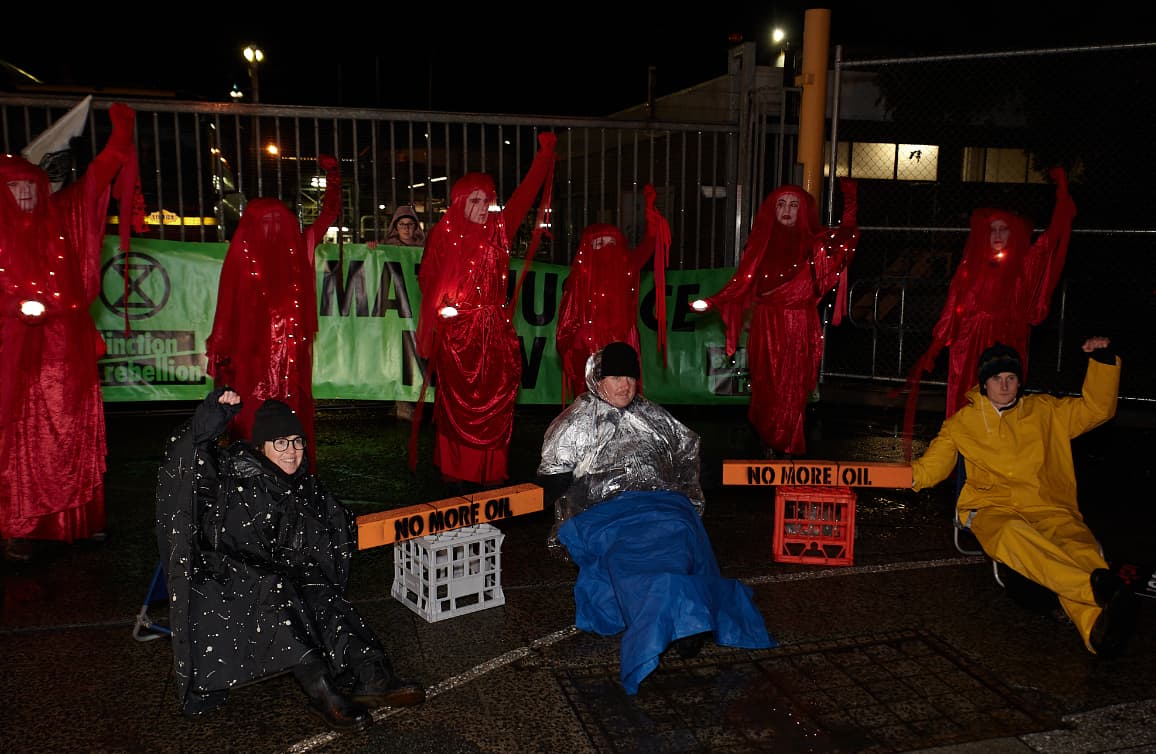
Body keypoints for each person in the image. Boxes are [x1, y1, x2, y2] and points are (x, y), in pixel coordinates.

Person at [155, 389, 425, 730]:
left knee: (318, 588)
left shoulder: (302, 485)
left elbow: (332, 525)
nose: (291, 452)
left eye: (297, 442)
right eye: (280, 442)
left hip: (278, 574)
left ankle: (373, 675)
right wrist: (212, 419)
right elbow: (189, 458)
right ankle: (324, 694)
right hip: (228, 580)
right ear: (261, 446)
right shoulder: (230, 474)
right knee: (278, 588)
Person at [537, 341, 775, 694]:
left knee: (681, 538)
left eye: (630, 377)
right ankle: (680, 617)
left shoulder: (652, 415)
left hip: (663, 507)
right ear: (598, 380)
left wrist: (686, 494)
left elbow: (687, 454)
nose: (624, 385)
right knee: (635, 558)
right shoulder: (576, 422)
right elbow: (553, 481)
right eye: (616, 376)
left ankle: (681, 615)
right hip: (607, 513)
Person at [910, 337, 1138, 658]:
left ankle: (1097, 632)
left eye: (1011, 378)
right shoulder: (961, 424)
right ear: (984, 383)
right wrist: (897, 476)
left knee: (1078, 545)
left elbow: (1096, 410)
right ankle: (1097, 589)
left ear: (1019, 381)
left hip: (1050, 508)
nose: (1004, 386)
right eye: (996, 379)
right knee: (1011, 533)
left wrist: (1102, 362)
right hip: (992, 509)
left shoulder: (1045, 411)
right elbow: (929, 471)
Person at [0, 102, 140, 562]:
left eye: (30, 186)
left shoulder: (62, 218)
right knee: (21, 438)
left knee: (71, 433)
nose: (23, 197)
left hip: (67, 351)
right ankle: (19, 525)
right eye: (13, 189)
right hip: (16, 355)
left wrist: (120, 138)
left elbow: (96, 183)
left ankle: (75, 518)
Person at [412, 132, 557, 489]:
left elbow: (524, 197)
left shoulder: (500, 231)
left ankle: (489, 470)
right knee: (457, 404)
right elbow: (427, 279)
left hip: (493, 330)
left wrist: (543, 158)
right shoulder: (443, 235)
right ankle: (456, 469)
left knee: (494, 400)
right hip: (458, 334)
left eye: (487, 200)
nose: (481, 206)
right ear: (460, 201)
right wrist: (444, 308)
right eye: (474, 200)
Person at [900, 167, 1075, 458]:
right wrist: (934, 348)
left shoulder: (1023, 267)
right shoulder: (970, 268)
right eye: (992, 229)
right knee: (966, 405)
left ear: (1013, 233)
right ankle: (965, 463)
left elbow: (1049, 243)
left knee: (1001, 401)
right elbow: (952, 309)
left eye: (1003, 229)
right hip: (968, 346)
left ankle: (1000, 462)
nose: (996, 235)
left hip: (1003, 343)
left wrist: (1062, 195)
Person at [691, 179, 859, 458]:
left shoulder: (815, 246)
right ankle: (771, 438)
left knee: (791, 386)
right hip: (766, 325)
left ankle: (787, 445)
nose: (787, 210)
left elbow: (845, 242)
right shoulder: (761, 245)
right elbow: (742, 281)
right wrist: (712, 301)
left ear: (804, 211)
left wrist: (851, 204)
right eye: (781, 204)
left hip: (798, 325)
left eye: (794, 205)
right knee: (766, 384)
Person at [205, 155, 342, 472]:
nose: (273, 232)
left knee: (290, 432)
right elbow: (226, 311)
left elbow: (328, 215)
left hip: (291, 371)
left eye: (279, 224)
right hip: (253, 371)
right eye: (266, 225)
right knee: (254, 432)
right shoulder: (244, 262)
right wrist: (222, 351)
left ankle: (292, 486)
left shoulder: (301, 249)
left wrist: (334, 177)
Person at [555, 184, 670, 401]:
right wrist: (577, 343)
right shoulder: (578, 281)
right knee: (592, 398)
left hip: (623, 343)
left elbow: (646, 248)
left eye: (612, 243)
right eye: (600, 243)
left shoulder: (625, 271)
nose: (607, 249)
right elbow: (566, 323)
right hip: (590, 347)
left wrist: (651, 221)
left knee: (624, 397)